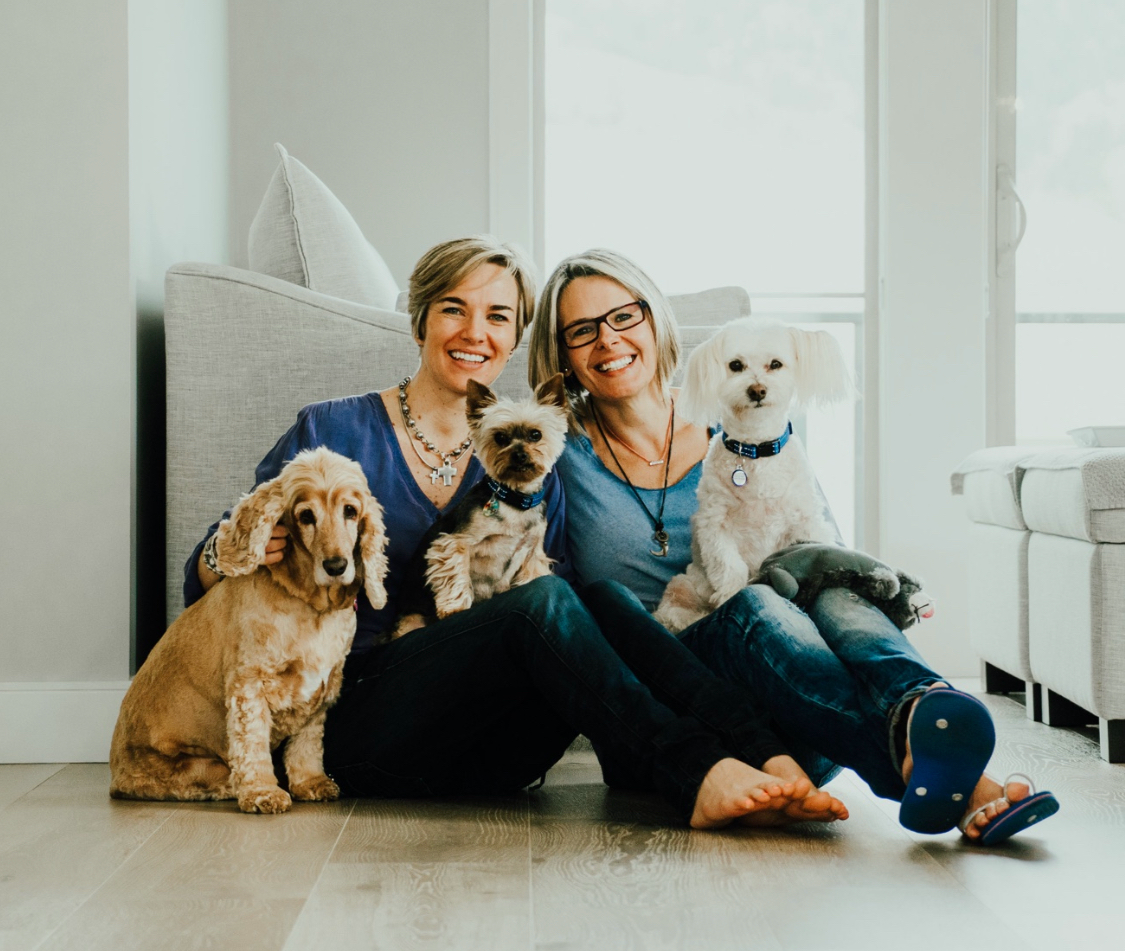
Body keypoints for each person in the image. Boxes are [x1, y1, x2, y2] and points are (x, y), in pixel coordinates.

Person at [184, 236, 849, 830]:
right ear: (419, 320)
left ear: (514, 339)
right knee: (547, 601)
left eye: (498, 316)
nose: (474, 331)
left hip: (500, 746)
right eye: (453, 308)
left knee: (598, 598)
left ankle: (760, 751)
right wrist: (235, 551)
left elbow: (558, 608)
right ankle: (700, 769)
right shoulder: (332, 432)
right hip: (355, 717)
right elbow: (202, 578)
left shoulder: (533, 455)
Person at [527, 248, 1058, 844]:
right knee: (749, 604)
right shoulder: (550, 450)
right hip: (684, 709)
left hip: (799, 706)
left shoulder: (751, 419)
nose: (608, 340)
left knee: (830, 581)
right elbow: (555, 600)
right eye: (582, 330)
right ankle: (957, 783)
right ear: (563, 355)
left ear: (654, 322)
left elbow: (817, 550)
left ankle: (919, 706)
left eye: (624, 316)